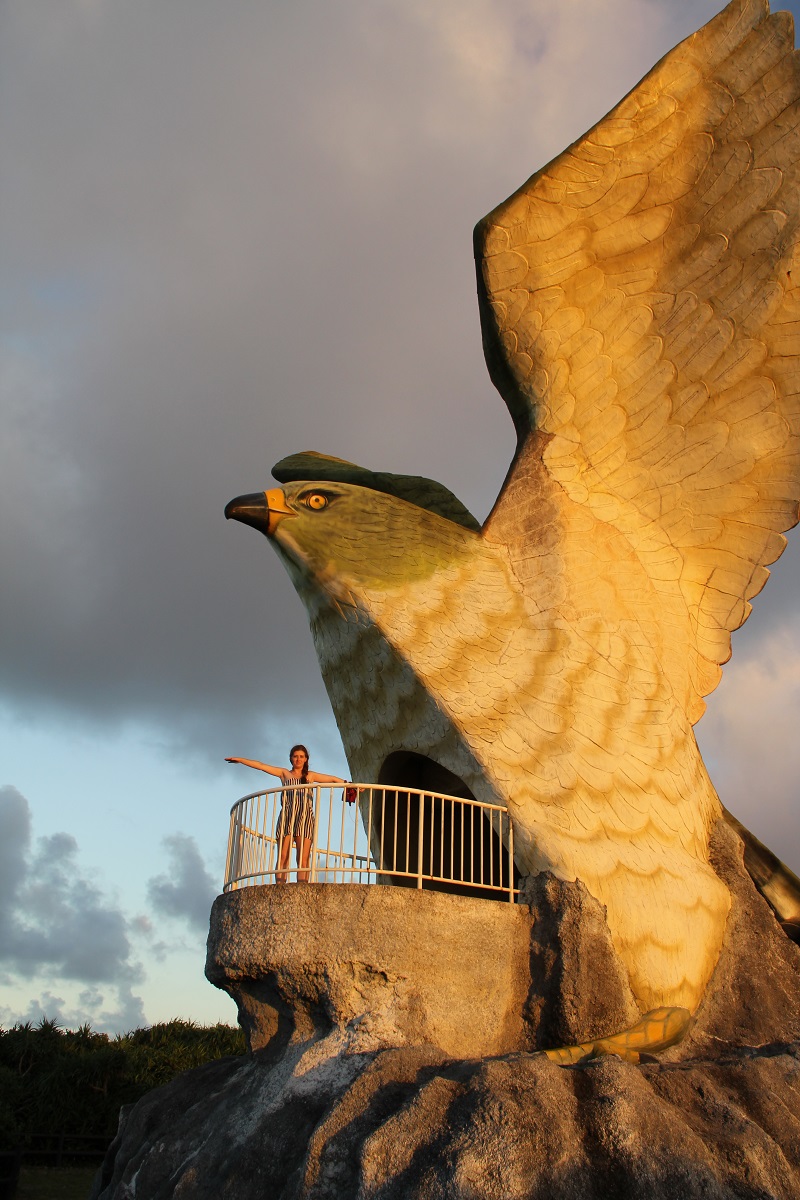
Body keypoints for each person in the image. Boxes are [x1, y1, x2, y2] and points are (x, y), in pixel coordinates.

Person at [225, 746, 346, 882]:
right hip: (287, 816)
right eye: (295, 756)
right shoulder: (284, 774)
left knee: (303, 857)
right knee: (283, 855)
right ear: (291, 758)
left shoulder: (310, 776)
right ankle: (280, 885)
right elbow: (261, 766)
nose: (298, 759)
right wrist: (241, 760)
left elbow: (334, 780)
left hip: (305, 817)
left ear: (306, 759)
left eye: (301, 756)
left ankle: (302, 886)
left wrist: (353, 786)